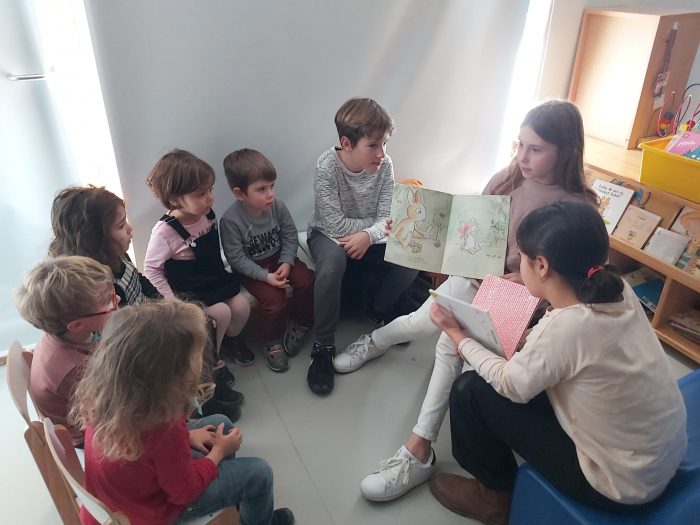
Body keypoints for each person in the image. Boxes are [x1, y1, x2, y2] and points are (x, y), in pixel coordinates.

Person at [356, 100, 600, 501]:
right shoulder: (508, 177)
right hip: (476, 278)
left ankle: (418, 448)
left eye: (535, 149)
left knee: (447, 345)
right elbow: (477, 231)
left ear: (566, 150)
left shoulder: (578, 208)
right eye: (519, 145)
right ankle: (373, 342)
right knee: (421, 320)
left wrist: (515, 284)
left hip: (519, 298)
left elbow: (565, 284)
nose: (522, 157)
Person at [428, 201, 687, 524]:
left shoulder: (569, 327)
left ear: (542, 265)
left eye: (522, 257)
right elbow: (569, 346)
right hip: (660, 457)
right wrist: (526, 334)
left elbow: (511, 384)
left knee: (469, 390)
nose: (518, 265)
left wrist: (458, 336)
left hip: (621, 484)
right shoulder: (617, 289)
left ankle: (493, 498)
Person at [70, 299, 294, 525]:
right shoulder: (163, 425)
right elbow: (185, 492)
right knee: (258, 474)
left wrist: (189, 436)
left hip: (124, 497)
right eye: (195, 355)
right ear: (169, 373)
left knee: (222, 423)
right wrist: (218, 452)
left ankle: (238, 500)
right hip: (154, 511)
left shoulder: (108, 392)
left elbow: (150, 452)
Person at [306, 97, 419, 395]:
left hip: (371, 236)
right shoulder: (326, 166)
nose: (381, 153)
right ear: (347, 143)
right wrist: (371, 230)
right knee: (331, 265)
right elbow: (334, 225)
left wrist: (369, 235)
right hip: (327, 235)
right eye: (373, 145)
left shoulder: (385, 165)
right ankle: (323, 347)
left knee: (411, 254)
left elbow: (387, 218)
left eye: (385, 144)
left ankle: (379, 309)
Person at [220, 148, 314, 373]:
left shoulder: (277, 206)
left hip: (280, 258)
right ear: (240, 193)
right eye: (261, 189)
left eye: (272, 186)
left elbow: (289, 235)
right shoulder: (230, 221)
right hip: (252, 268)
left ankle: (301, 322)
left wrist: (286, 262)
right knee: (274, 300)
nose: (270, 194)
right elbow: (236, 258)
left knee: (307, 280)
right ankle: (271, 339)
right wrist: (266, 277)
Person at [15, 255, 115, 446]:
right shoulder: (75, 370)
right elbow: (111, 412)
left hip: (90, 412)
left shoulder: (65, 332)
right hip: (91, 435)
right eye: (108, 301)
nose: (116, 299)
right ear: (76, 325)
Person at [49, 185, 161, 306]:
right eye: (121, 225)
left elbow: (138, 280)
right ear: (96, 239)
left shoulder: (117, 254)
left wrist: (162, 301)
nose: (129, 229)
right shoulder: (104, 287)